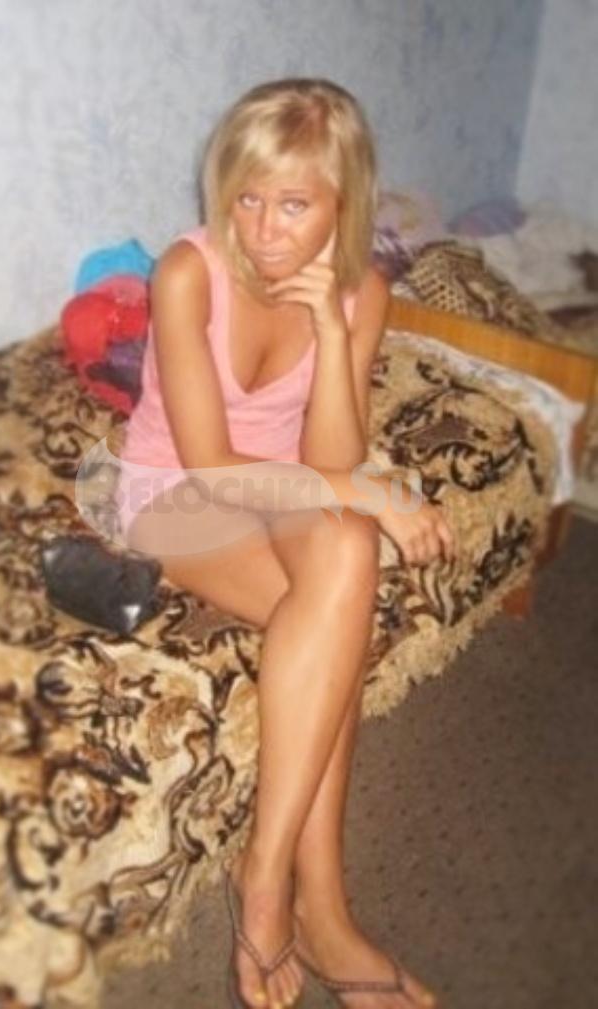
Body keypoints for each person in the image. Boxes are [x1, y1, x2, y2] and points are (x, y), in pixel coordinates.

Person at [117, 78, 453, 1009]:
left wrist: (329, 334)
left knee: (344, 565)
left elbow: (329, 456)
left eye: (294, 205)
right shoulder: (186, 273)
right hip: (176, 492)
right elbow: (212, 468)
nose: (263, 231)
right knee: (345, 576)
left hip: (285, 487)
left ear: (345, 204)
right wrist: (368, 493)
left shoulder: (365, 292)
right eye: (248, 199)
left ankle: (287, 888)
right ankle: (303, 903)